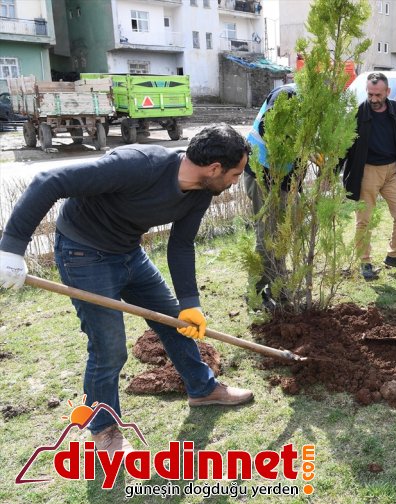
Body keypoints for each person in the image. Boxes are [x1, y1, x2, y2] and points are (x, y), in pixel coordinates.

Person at [0, 124, 255, 455]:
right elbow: (50, 181)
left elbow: (181, 244)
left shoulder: (202, 191)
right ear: (215, 168)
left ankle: (203, 389)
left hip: (128, 251)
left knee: (176, 322)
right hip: (82, 252)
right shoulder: (139, 164)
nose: (236, 181)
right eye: (235, 174)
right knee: (108, 348)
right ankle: (103, 428)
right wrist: (12, 247)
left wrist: (190, 303)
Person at [342, 72, 396, 280]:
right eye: (370, 94)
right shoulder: (358, 113)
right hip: (368, 172)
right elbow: (344, 146)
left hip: (392, 171)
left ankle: (394, 255)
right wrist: (330, 172)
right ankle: (365, 262)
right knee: (364, 220)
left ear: (387, 92)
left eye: (378, 95)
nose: (373, 99)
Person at [243, 83, 297, 309]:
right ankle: (254, 294)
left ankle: (278, 286)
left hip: (283, 175)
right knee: (267, 234)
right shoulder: (286, 94)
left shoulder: (314, 105)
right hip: (260, 171)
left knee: (282, 233)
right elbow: (268, 127)